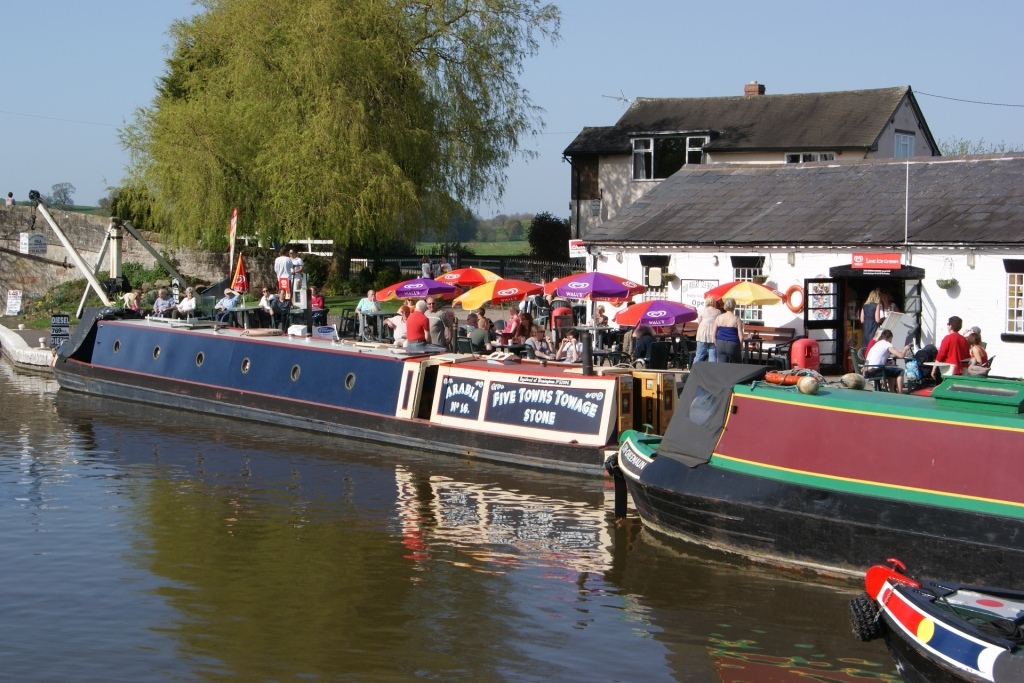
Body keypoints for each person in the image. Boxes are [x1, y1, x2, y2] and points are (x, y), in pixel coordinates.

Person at [712, 298, 744, 363]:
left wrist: (716, 343)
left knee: (722, 367)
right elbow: (741, 337)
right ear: (734, 306)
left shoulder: (718, 318)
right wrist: (740, 346)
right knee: (738, 366)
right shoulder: (737, 319)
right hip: (733, 344)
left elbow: (713, 334)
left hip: (720, 343)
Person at [694, 294, 721, 363]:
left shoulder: (702, 311)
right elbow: (719, 323)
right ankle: (711, 373)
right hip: (713, 334)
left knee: (699, 355)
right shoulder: (718, 312)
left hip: (702, 334)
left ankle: (693, 371)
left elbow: (699, 322)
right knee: (713, 356)